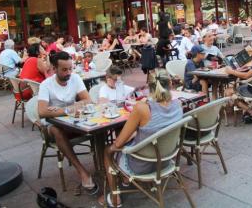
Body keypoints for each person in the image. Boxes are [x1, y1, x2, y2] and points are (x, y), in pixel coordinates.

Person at [97, 69, 182, 207]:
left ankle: (115, 196)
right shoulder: (178, 104)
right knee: (130, 138)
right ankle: (125, 180)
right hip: (166, 161)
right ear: (171, 83)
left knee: (108, 150)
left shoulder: (142, 108)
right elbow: (160, 128)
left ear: (149, 86)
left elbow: (118, 143)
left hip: (141, 166)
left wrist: (120, 144)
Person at [37, 52, 97, 194]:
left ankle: (103, 167)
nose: (69, 72)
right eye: (64, 69)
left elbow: (88, 100)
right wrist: (71, 108)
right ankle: (81, 171)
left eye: (70, 68)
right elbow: (42, 112)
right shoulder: (46, 85)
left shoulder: (75, 78)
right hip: (52, 127)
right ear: (54, 68)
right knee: (57, 130)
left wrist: (63, 110)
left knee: (98, 126)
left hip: (73, 122)